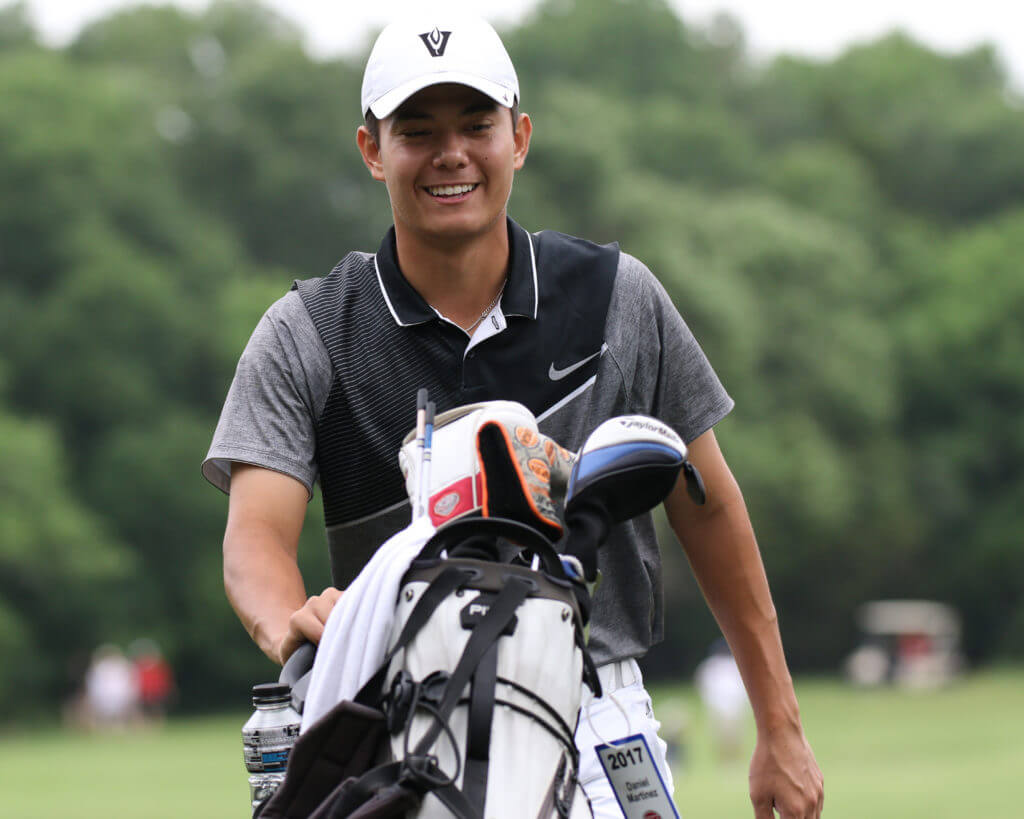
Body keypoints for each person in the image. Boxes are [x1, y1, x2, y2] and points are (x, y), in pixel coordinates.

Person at [203, 12, 823, 818]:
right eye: (416, 130)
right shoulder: (310, 330)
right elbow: (255, 537)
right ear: (371, 150)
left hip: (598, 713)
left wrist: (780, 724)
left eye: (476, 124)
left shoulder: (616, 296)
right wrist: (291, 619)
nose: (450, 153)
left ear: (520, 136)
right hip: (402, 720)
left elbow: (709, 508)